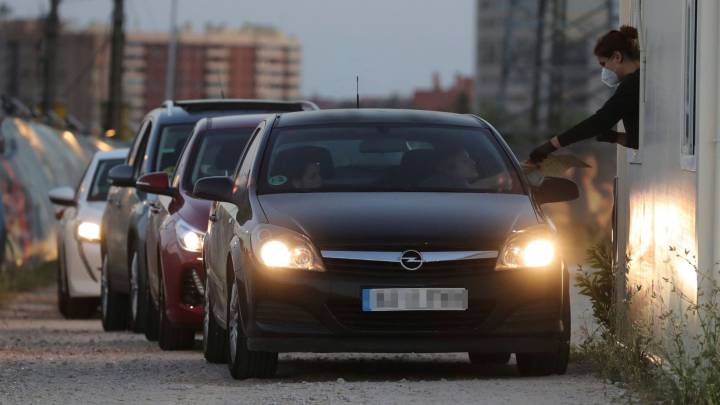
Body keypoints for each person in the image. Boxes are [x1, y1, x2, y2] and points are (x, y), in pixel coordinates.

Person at [528, 25, 641, 165]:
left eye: (604, 64)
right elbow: (642, 140)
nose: (604, 71)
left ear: (617, 57)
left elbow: (599, 121)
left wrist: (551, 146)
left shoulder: (632, 84)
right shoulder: (638, 81)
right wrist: (616, 137)